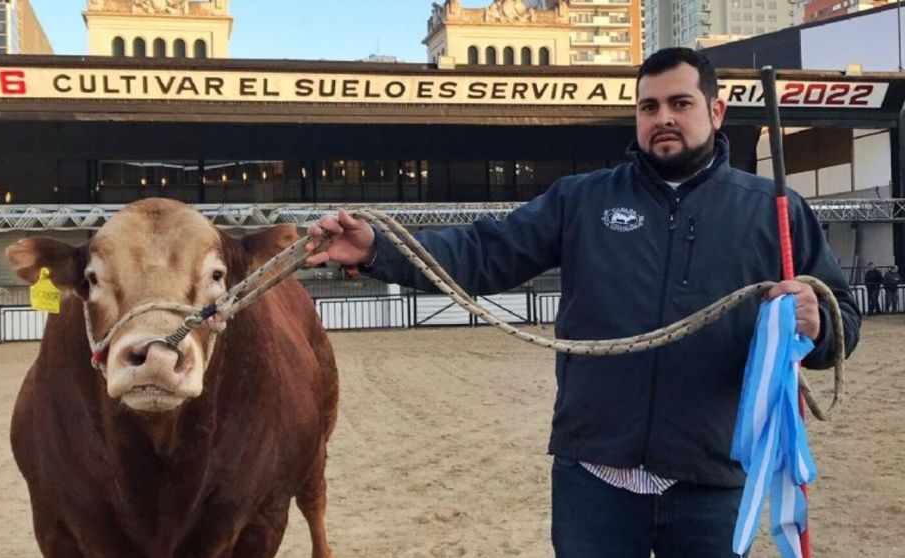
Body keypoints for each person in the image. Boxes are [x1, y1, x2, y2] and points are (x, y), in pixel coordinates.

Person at [306, 47, 861, 557]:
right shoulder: (583, 199)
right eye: (648, 106)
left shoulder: (774, 210)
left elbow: (842, 316)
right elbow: (483, 250)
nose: (662, 117)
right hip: (594, 477)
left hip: (712, 477)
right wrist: (380, 248)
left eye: (679, 103)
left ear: (715, 112)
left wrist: (818, 322)